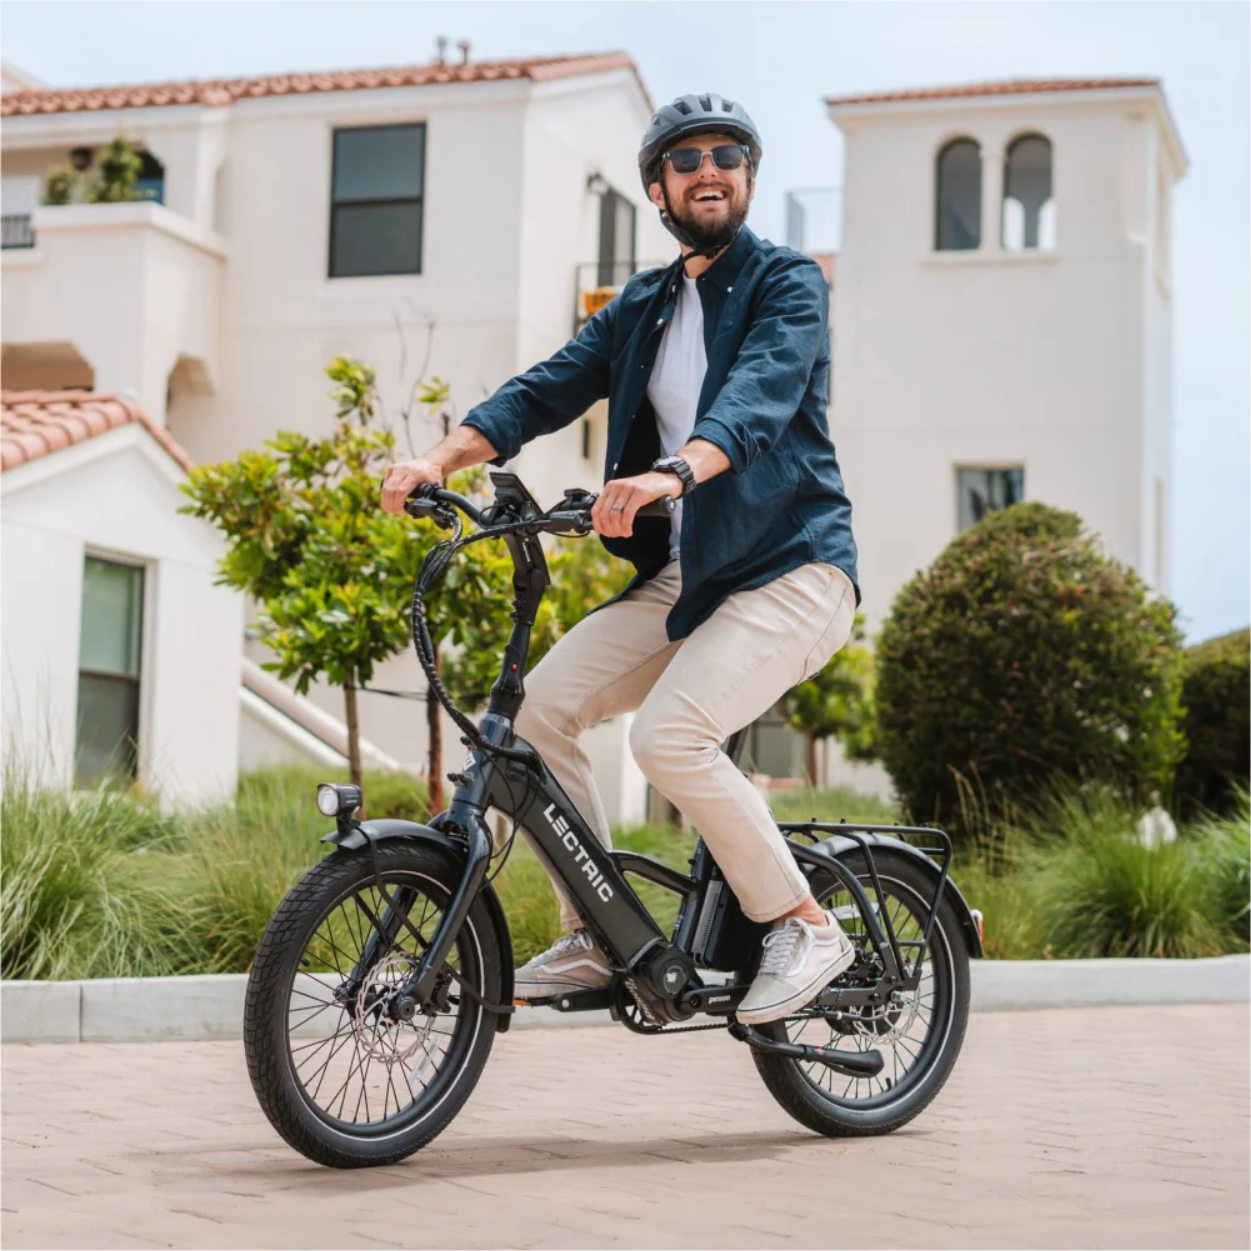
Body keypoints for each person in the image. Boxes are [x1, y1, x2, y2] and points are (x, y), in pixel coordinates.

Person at [381, 93, 860, 1025]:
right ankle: (599, 937)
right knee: (532, 719)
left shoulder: (788, 282)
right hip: (689, 575)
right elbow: (544, 389)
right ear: (657, 188)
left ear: (748, 176)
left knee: (667, 737)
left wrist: (671, 472)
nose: (709, 170)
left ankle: (805, 925)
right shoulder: (643, 303)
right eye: (686, 160)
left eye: (728, 155)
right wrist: (438, 458)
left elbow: (758, 400)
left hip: (791, 568)